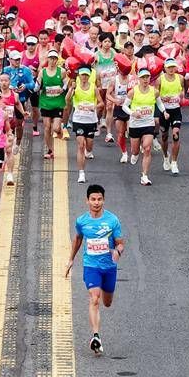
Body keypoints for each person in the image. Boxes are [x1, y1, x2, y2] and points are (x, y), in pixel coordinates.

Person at [65, 183, 125, 358]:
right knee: (94, 298)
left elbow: (120, 243)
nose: (96, 202)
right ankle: (96, 336)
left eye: (99, 199)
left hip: (109, 268)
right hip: (91, 266)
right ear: (87, 201)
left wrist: (118, 251)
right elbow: (78, 239)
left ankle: (97, 331)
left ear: (103, 200)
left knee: (107, 302)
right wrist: (71, 259)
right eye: (93, 199)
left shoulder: (112, 221)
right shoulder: (81, 221)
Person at [123, 68, 159, 186]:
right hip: (135, 125)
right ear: (139, 78)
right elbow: (124, 106)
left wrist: (164, 112)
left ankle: (144, 176)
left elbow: (159, 103)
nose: (145, 79)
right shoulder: (132, 92)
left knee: (147, 148)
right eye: (143, 77)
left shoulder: (154, 91)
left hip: (148, 124)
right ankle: (135, 154)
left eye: (147, 77)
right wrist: (132, 113)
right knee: (135, 150)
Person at [66, 66, 100, 183]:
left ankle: (89, 151)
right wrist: (71, 89)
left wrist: (94, 107)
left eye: (86, 75)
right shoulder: (75, 87)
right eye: (82, 75)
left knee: (88, 145)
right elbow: (67, 100)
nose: (84, 77)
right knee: (81, 145)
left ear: (89, 76)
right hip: (78, 120)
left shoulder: (94, 88)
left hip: (90, 120)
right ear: (79, 76)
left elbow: (101, 103)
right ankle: (81, 173)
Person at [38, 49, 68, 160]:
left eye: (55, 59)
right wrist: (36, 86)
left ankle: (60, 131)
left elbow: (66, 84)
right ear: (48, 59)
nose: (52, 61)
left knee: (55, 128)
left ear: (57, 60)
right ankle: (50, 150)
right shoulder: (43, 72)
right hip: (46, 102)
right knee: (47, 128)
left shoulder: (62, 71)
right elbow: (38, 84)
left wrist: (62, 89)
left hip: (58, 102)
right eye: (51, 58)